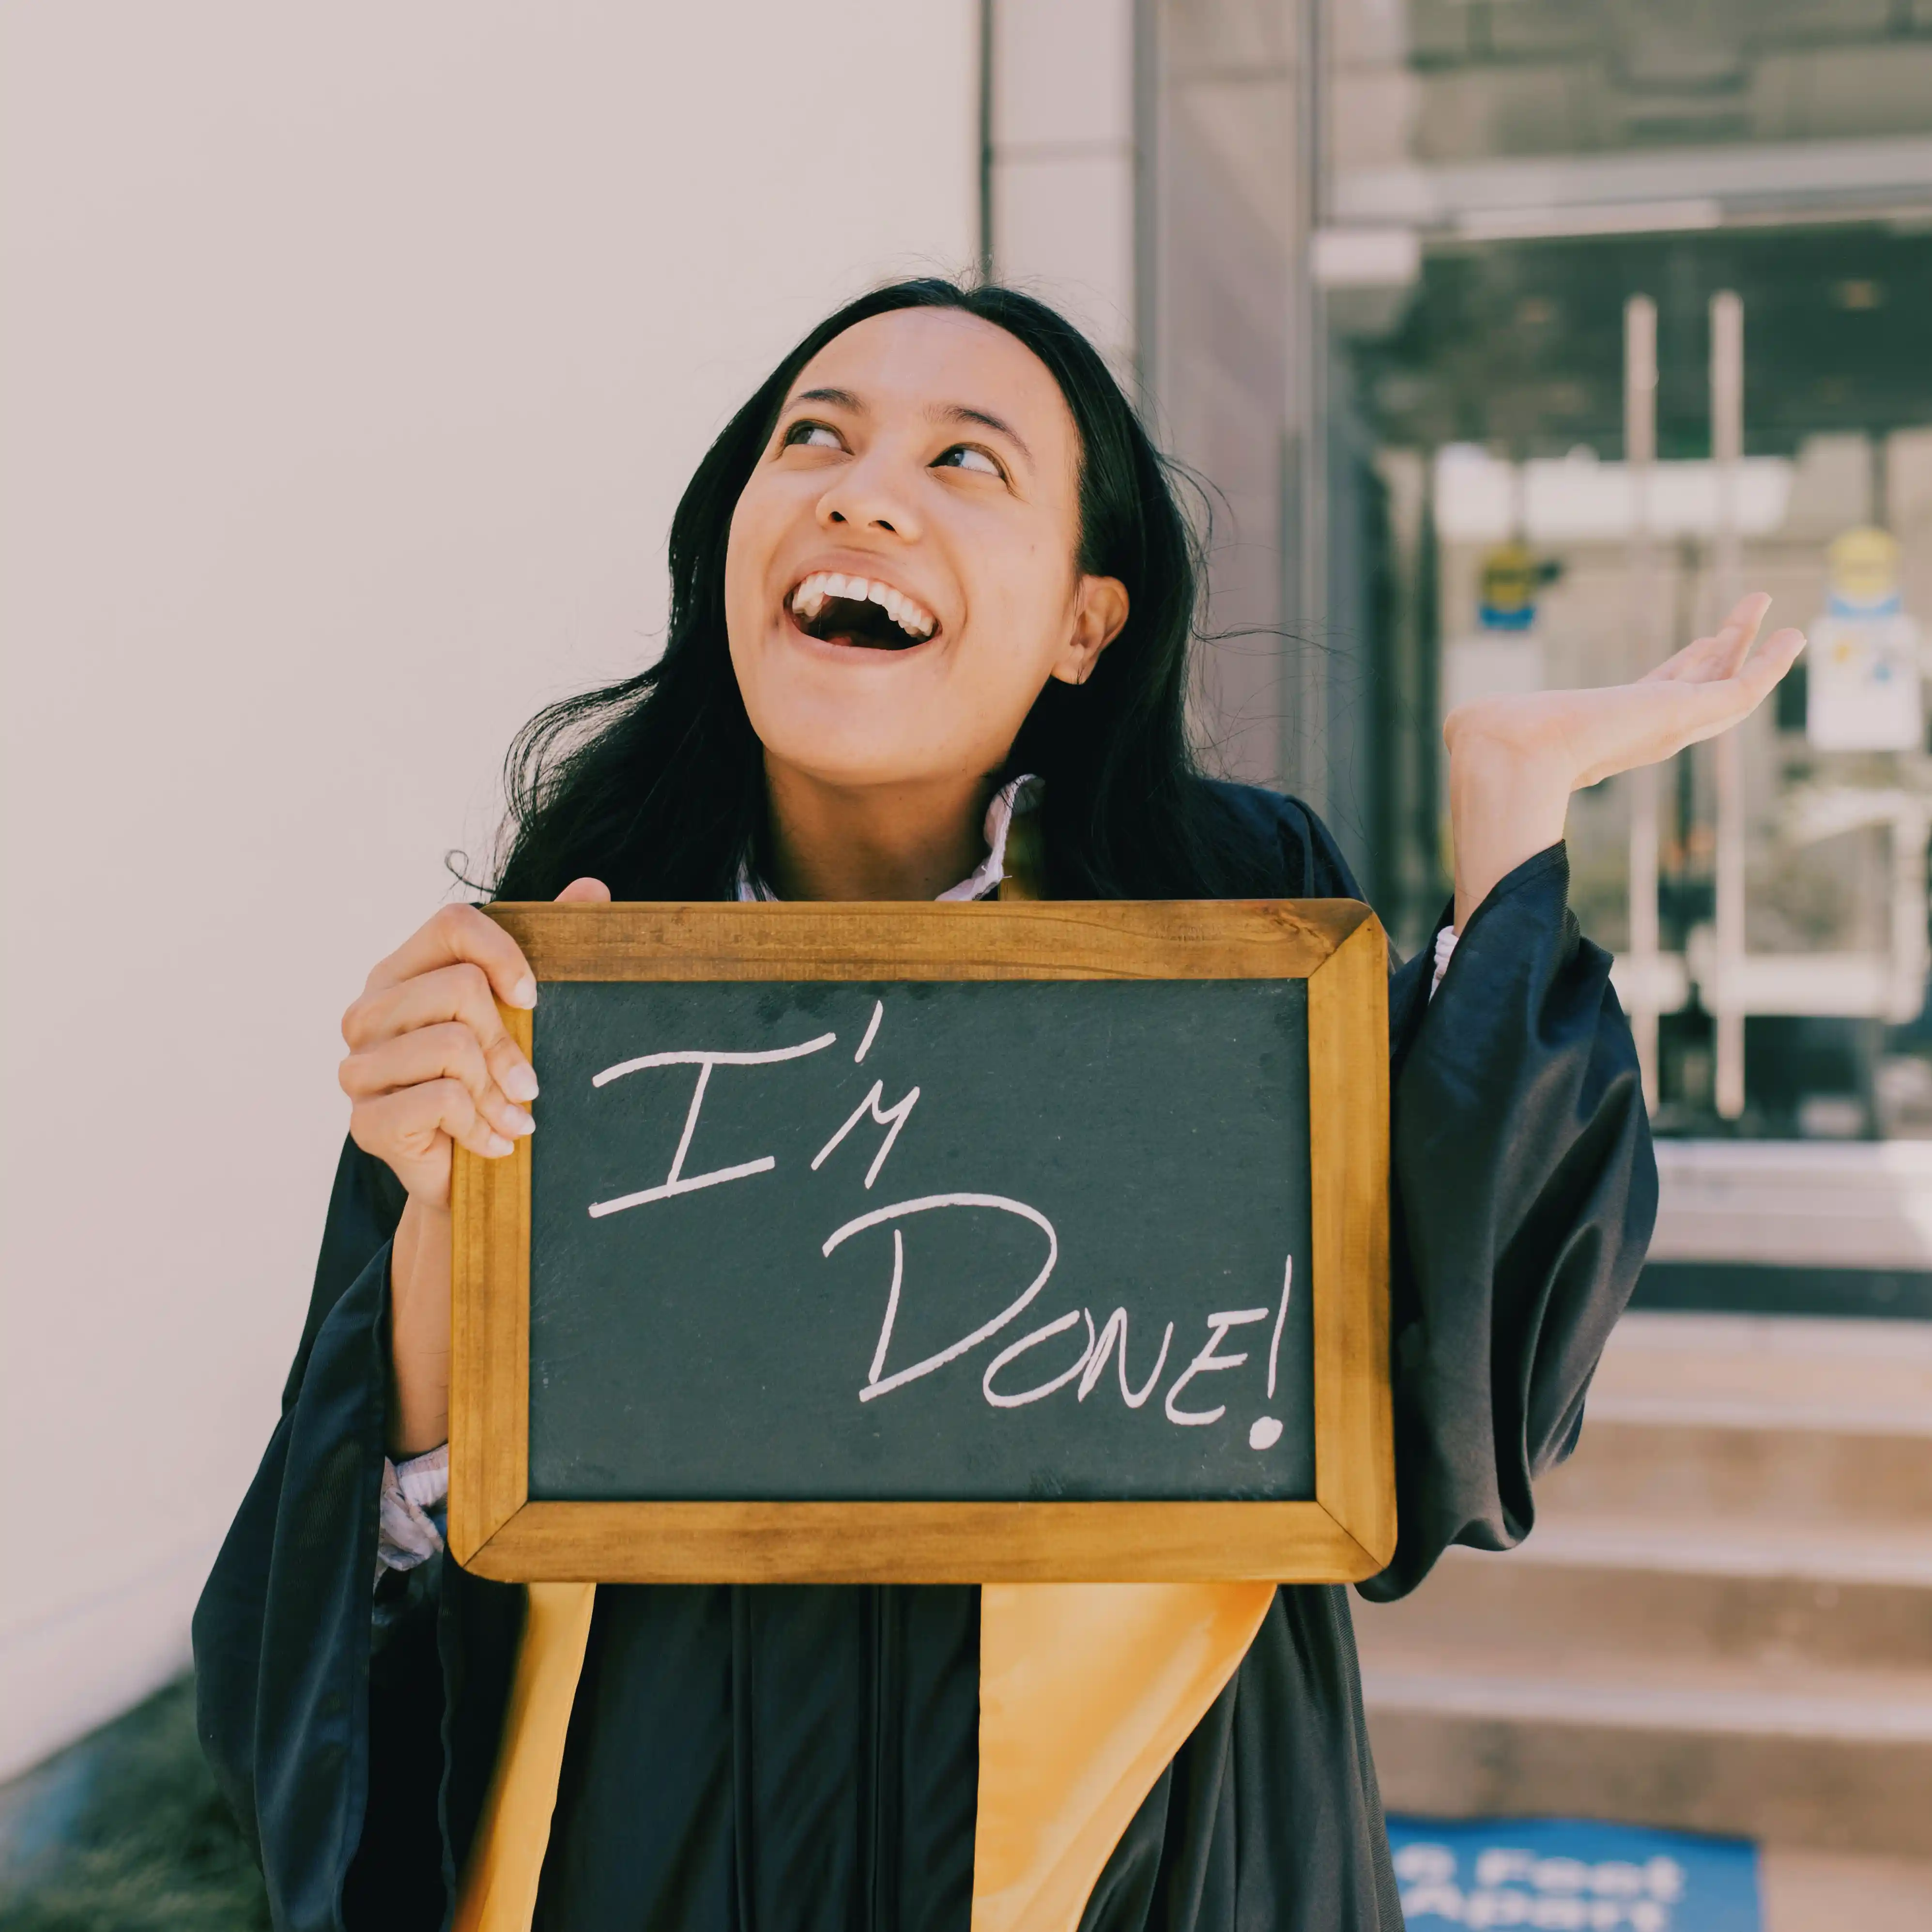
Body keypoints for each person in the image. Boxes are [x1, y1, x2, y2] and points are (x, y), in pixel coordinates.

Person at [192, 278, 1803, 1932]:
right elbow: (325, 1662)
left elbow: (1453, 1425)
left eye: (968, 461)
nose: (861, 488)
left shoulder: (1223, 938)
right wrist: (446, 1236)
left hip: (1146, 1867)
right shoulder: (563, 965)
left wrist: (1508, 818)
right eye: (810, 436)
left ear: (1084, 621)